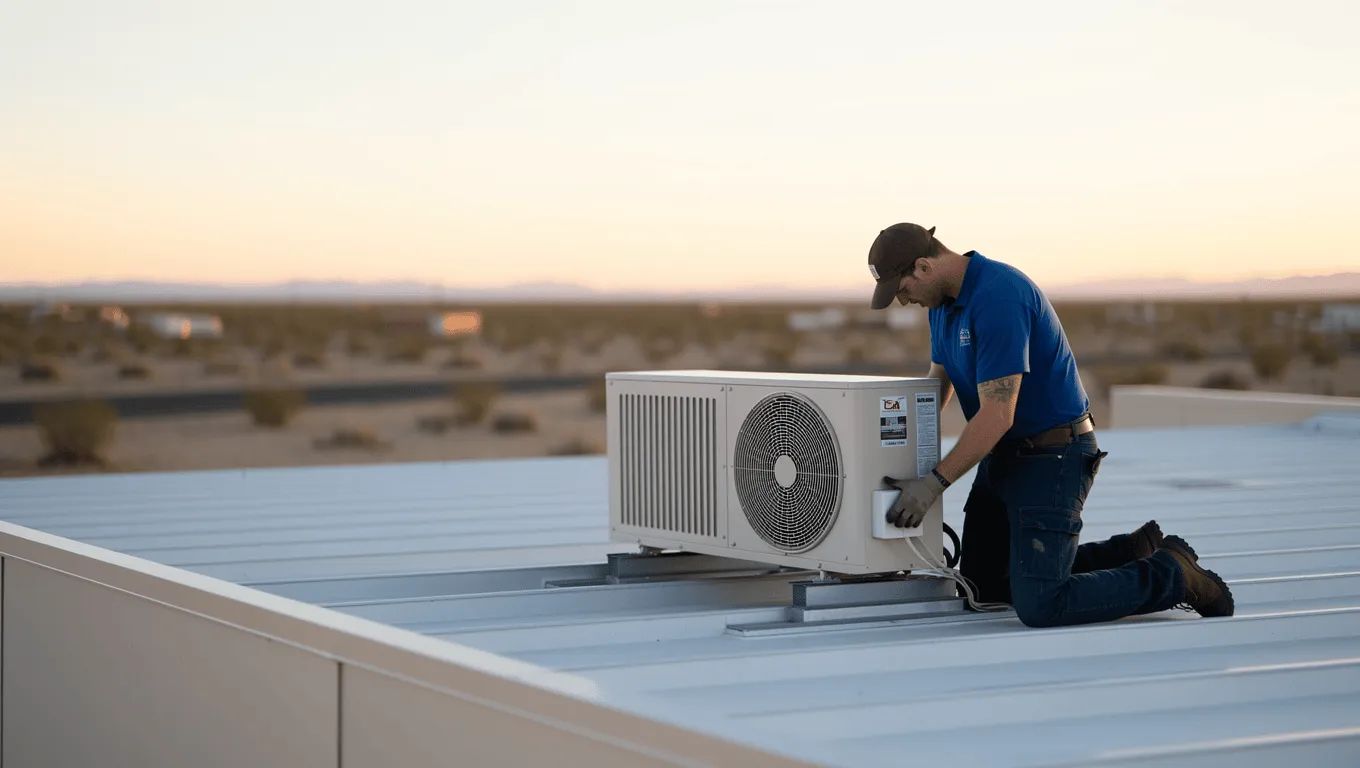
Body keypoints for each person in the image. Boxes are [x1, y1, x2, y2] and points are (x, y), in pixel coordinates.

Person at [866, 223, 1234, 627]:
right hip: (1003, 455)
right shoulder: (942, 306)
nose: (903, 302)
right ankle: (1131, 551)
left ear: (923, 267)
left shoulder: (999, 296)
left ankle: (1173, 575)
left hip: (1053, 455)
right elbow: (940, 381)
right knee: (982, 588)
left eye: (902, 290)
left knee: (1042, 605)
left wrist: (933, 484)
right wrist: (889, 446)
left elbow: (997, 414)